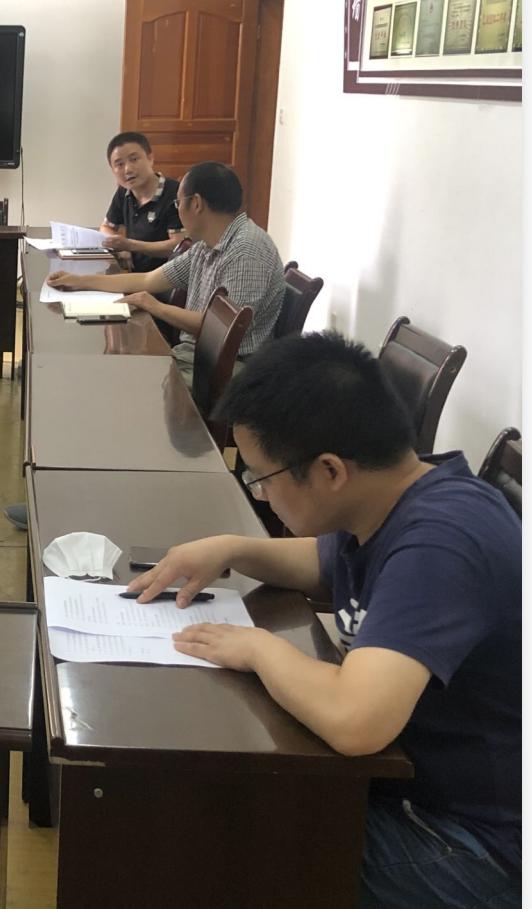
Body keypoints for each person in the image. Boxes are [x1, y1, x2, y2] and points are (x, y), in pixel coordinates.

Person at [127, 333, 520, 907]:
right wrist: (231, 548)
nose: (261, 496)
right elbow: (320, 563)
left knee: (213, 836)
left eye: (261, 478)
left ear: (330, 471)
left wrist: (258, 648)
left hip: (473, 845)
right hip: (410, 785)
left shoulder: (442, 543)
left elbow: (356, 721)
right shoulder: (394, 497)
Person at [49, 161, 286, 388]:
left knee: (128, 386)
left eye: (178, 203)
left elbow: (225, 328)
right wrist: (79, 281)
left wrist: (155, 306)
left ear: (196, 204)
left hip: (226, 367)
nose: (177, 210)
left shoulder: (246, 250)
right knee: (120, 376)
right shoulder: (205, 245)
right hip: (197, 354)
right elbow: (148, 279)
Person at [98, 131, 185, 274]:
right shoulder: (124, 191)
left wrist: (130, 245)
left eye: (134, 159)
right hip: (135, 276)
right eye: (119, 164)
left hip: (168, 279)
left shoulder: (175, 193)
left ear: (150, 158)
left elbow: (178, 246)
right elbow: (106, 227)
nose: (128, 169)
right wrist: (120, 247)